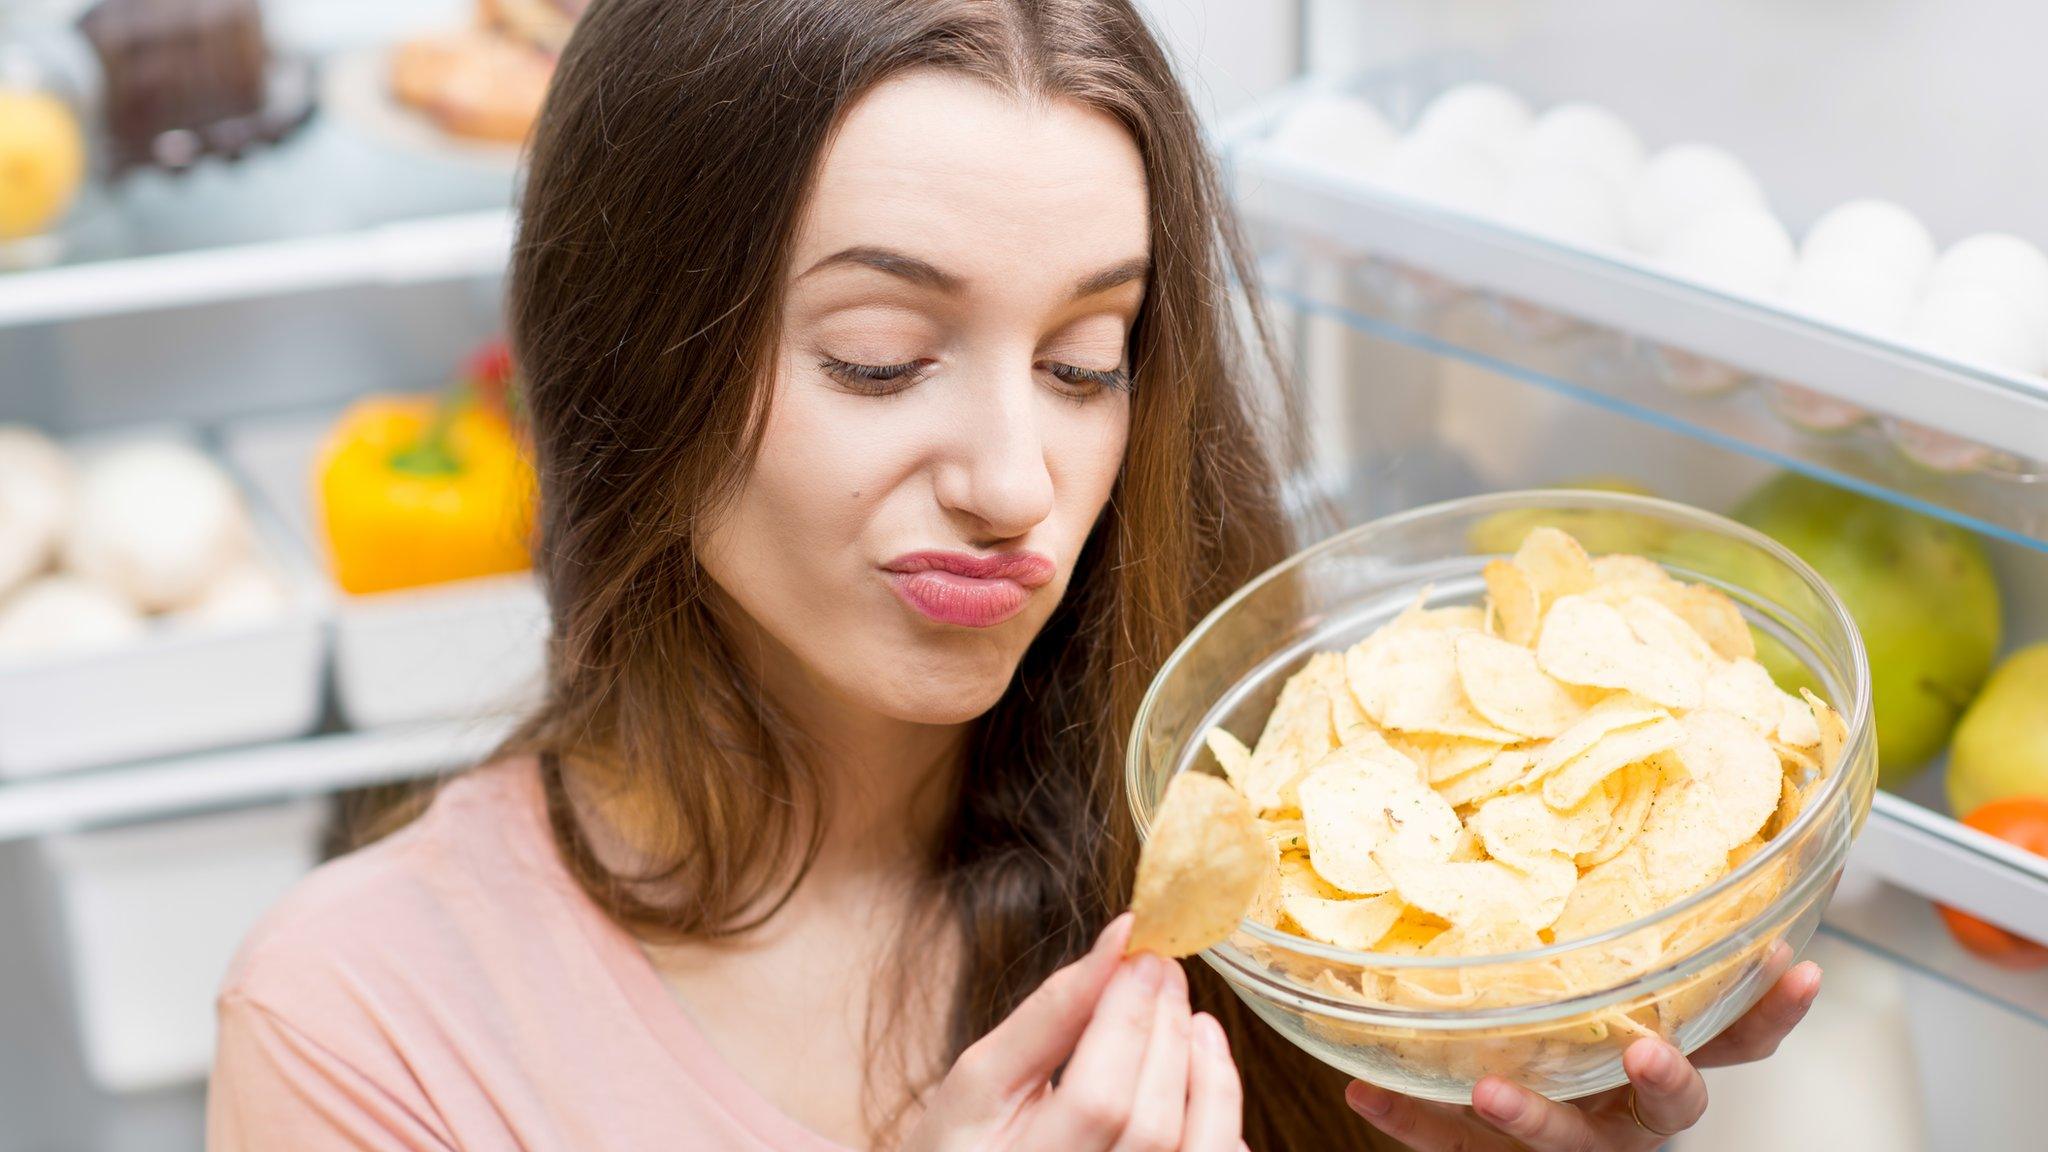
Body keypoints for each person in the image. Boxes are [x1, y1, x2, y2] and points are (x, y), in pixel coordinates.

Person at [206, 1, 1822, 1148]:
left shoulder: (1313, 903)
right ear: (634, 361)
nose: (1011, 483)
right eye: (883, 358)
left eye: (1082, 360)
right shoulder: (366, 1024)